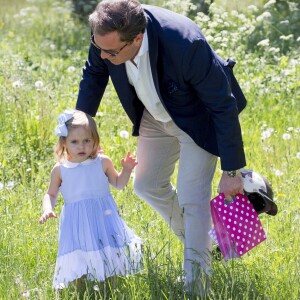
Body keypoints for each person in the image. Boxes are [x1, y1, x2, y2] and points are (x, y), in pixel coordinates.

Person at [76, 0, 247, 296]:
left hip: (197, 117)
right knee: (146, 184)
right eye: (98, 47)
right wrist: (78, 124)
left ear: (137, 39)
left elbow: (222, 105)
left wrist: (231, 170)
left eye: (111, 52)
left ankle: (197, 285)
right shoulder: (106, 36)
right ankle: (215, 243)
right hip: (156, 116)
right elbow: (94, 73)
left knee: (193, 198)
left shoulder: (184, 43)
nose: (103, 55)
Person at [39, 109, 142, 289]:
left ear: (95, 140)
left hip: (103, 216)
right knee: (79, 252)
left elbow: (118, 184)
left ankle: (109, 284)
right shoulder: (61, 169)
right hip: (76, 220)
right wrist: (48, 208)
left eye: (87, 140)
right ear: (64, 143)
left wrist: (126, 170)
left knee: (107, 249)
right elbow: (51, 194)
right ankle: (79, 286)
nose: (82, 146)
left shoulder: (102, 162)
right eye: (75, 142)